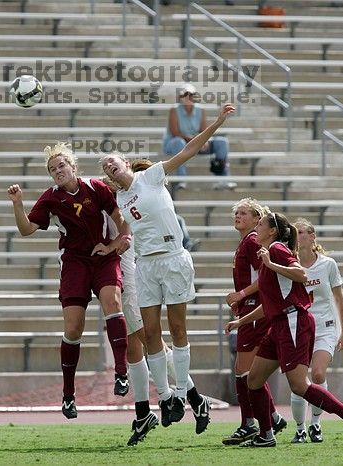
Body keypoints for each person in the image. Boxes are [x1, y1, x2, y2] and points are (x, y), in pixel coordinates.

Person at [100, 103, 236, 436]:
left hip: (173, 257)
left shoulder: (152, 175)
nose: (108, 165)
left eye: (112, 161)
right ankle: (167, 398)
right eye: (105, 166)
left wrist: (217, 122)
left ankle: (178, 395)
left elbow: (189, 149)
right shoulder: (118, 201)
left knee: (177, 330)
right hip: (146, 264)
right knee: (149, 334)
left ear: (126, 164)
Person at [7, 142, 132, 420]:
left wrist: (115, 245)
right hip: (74, 262)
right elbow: (27, 229)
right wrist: (18, 206)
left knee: (113, 301)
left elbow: (120, 220)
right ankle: (68, 395)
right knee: (74, 328)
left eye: (61, 165)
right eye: (52, 169)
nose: (57, 171)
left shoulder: (96, 187)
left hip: (103, 257)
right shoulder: (50, 198)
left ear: (74, 167)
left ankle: (121, 373)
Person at [225, 211, 343, 448]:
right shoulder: (268, 254)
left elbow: (301, 274)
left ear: (272, 231)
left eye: (260, 224)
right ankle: (266, 435)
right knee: (254, 379)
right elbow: (271, 302)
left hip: (293, 321)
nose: (256, 228)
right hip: (279, 324)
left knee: (299, 385)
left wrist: (270, 263)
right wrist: (241, 321)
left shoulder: (276, 250)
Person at [103, 171, 205, 446]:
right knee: (135, 344)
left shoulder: (121, 202)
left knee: (149, 339)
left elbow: (126, 236)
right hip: (116, 276)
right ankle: (145, 412)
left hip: (130, 273)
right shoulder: (110, 199)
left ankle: (190, 398)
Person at [221, 198, 287, 445]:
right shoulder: (247, 241)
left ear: (257, 218)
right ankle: (270, 417)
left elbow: (266, 277)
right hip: (250, 309)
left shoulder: (251, 242)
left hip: (256, 310)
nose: (237, 215)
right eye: (236, 212)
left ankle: (252, 422)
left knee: (245, 371)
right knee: (246, 371)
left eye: (244, 212)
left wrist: (241, 295)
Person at [289, 217, 343, 444]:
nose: (300, 236)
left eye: (303, 232)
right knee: (298, 383)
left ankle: (315, 424)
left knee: (318, 375)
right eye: (296, 232)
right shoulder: (289, 265)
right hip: (297, 329)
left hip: (324, 328)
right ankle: (299, 427)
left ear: (313, 236)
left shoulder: (328, 264)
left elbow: (338, 297)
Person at [163, 83, 235, 190]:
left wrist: (203, 141)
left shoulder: (201, 110)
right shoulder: (174, 109)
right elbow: (175, 133)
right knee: (179, 142)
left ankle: (223, 179)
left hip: (193, 143)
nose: (188, 98)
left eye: (191, 95)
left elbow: (203, 130)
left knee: (222, 142)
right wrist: (198, 140)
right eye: (185, 95)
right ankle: (181, 180)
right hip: (175, 143)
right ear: (180, 97)